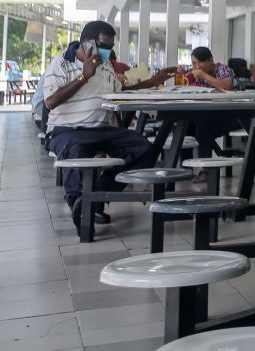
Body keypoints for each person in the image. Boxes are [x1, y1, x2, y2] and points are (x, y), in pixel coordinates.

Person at [43, 20, 176, 233]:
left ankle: (97, 194)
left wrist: (152, 82)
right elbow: (50, 102)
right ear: (86, 42)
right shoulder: (61, 63)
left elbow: (120, 91)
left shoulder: (105, 65)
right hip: (66, 129)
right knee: (74, 148)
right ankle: (78, 204)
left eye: (111, 47)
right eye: (103, 46)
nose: (107, 51)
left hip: (100, 128)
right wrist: (83, 76)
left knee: (143, 147)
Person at [185, 46, 239, 170]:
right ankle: (185, 169)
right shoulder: (201, 75)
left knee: (202, 128)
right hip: (212, 114)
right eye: (194, 63)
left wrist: (203, 76)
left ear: (210, 60)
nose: (197, 66)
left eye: (200, 62)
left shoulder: (223, 70)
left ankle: (205, 170)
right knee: (185, 125)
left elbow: (226, 86)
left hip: (233, 115)